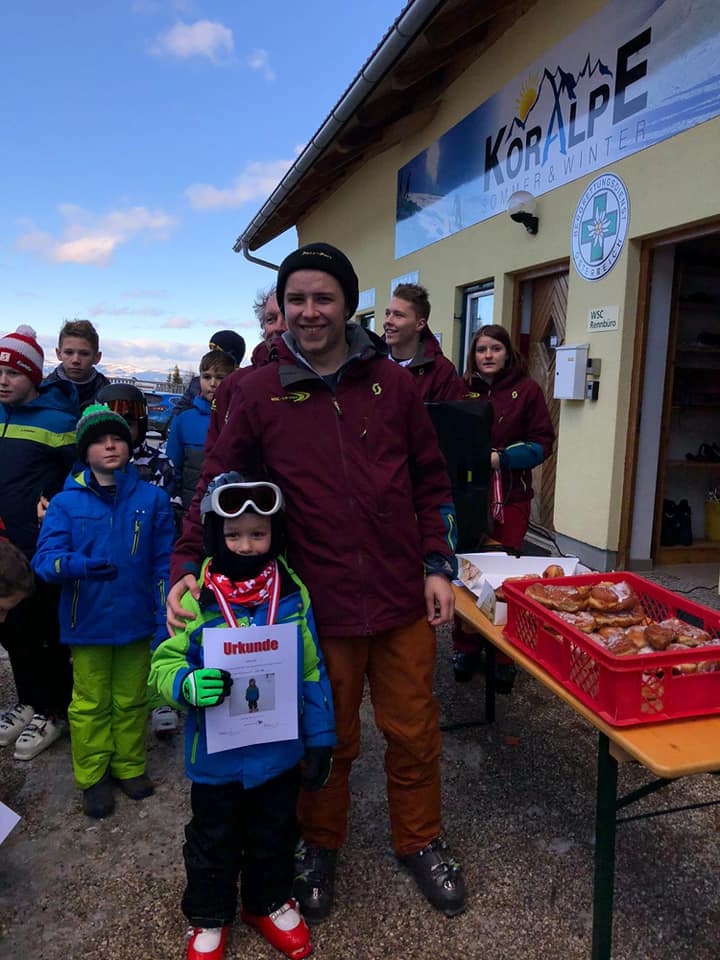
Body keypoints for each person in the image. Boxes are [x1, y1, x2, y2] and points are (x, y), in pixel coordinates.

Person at [167, 242, 465, 921]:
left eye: (323, 297)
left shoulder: (394, 384)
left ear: (348, 304)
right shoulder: (255, 390)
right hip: (312, 604)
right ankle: (318, 844)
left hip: (398, 596)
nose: (309, 311)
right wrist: (186, 565)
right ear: (282, 306)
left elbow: (431, 483)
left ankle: (420, 839)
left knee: (414, 730)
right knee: (325, 736)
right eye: (296, 298)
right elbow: (214, 485)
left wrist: (437, 563)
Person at [150, 472, 335, 960]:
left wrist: (321, 735)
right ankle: (209, 914)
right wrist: (185, 685)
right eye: (234, 535)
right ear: (216, 535)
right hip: (216, 758)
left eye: (258, 533)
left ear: (275, 533)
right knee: (213, 838)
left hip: (278, 751)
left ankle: (267, 901)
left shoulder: (291, 591)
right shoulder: (196, 596)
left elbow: (311, 667)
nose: (247, 545)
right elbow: (163, 663)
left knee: (275, 831)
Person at [32, 404, 175, 818]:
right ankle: (93, 775)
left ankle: (129, 765)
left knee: (131, 698)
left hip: (136, 620)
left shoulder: (152, 499)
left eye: (117, 438)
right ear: (84, 451)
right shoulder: (65, 502)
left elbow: (164, 561)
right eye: (98, 441)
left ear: (129, 445)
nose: (110, 446)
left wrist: (163, 615)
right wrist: (75, 565)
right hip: (88, 621)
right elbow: (45, 560)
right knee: (90, 701)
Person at [452, 324, 554, 687]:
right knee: (469, 572)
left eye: (495, 348)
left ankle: (503, 654)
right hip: (468, 497)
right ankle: (465, 647)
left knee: (505, 578)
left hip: (510, 497)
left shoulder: (527, 391)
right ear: (473, 355)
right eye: (481, 349)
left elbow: (543, 443)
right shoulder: (461, 389)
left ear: (508, 353)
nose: (488, 355)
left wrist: (503, 459)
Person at [0, 325, 78, 760]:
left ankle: (54, 710)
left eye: (13, 373)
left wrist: (56, 501)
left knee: (44, 631)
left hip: (38, 547)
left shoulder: (58, 420)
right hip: (1, 549)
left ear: (33, 376)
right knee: (11, 630)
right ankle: (28, 701)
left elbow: (77, 474)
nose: (3, 381)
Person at [96, 383, 181, 738]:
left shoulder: (157, 463)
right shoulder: (87, 465)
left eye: (127, 426)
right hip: (105, 567)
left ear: (141, 425)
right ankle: (112, 700)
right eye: (109, 427)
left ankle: (161, 698)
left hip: (148, 562)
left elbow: (170, 513)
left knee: (158, 629)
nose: (117, 437)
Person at [166, 351, 235, 513]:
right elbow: (172, 467)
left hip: (230, 508)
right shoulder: (184, 419)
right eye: (207, 377)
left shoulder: (240, 418)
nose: (213, 383)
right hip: (190, 509)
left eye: (220, 377)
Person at [383, 283, 467, 402]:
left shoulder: (441, 371)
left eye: (398, 315)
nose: (388, 321)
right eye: (387, 314)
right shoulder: (369, 362)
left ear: (420, 324)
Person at [171, 331, 246, 419]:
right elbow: (178, 411)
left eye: (216, 350)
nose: (212, 383)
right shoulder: (197, 383)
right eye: (211, 350)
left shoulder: (243, 385)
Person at [45, 319, 110, 411]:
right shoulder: (45, 391)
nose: (76, 360)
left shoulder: (108, 394)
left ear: (97, 357)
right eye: (69, 352)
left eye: (84, 354)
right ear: (59, 354)